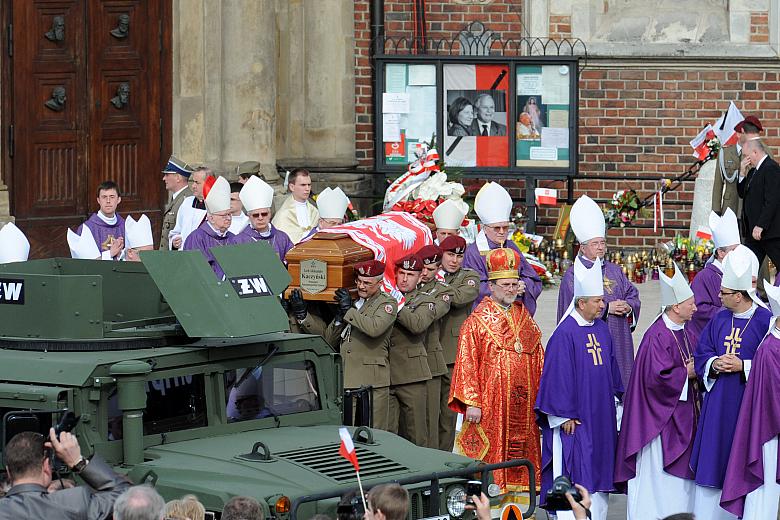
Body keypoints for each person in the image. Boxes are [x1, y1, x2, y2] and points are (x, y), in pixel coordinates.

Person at [535, 257, 623, 520]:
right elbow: (556, 378)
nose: (602, 305)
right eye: (597, 301)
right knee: (576, 469)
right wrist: (562, 415)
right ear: (581, 303)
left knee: (599, 470)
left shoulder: (602, 329)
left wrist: (618, 400)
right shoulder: (565, 334)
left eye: (602, 300)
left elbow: (612, 369)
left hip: (601, 419)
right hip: (575, 421)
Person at [450, 247, 543, 492]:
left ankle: (523, 509)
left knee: (523, 459)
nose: (511, 289)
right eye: (505, 284)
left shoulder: (525, 318)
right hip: (491, 407)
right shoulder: (476, 322)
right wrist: (472, 402)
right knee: (492, 456)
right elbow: (467, 362)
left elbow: (539, 359)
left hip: (524, 406)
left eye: (514, 284)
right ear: (490, 286)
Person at [690, 245, 772, 520]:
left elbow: (773, 365)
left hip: (747, 405)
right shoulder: (719, 318)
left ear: (739, 295)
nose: (718, 296)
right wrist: (713, 364)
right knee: (714, 461)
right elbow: (702, 353)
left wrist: (744, 366)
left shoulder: (765, 321)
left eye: (724, 293)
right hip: (718, 403)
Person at [615, 263, 699, 519]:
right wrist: (689, 373)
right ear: (675, 307)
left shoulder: (686, 331)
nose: (696, 308)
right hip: (658, 426)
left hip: (681, 418)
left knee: (679, 491)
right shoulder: (657, 336)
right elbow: (656, 381)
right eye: (691, 304)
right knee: (658, 485)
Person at [557, 194, 640, 389]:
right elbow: (571, 311)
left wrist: (628, 306)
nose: (601, 248)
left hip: (619, 336)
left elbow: (632, 293)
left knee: (621, 384)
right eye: (595, 244)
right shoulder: (573, 275)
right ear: (583, 247)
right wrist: (606, 308)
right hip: (589, 340)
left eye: (602, 243)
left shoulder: (614, 270)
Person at [721, 282, 780, 519]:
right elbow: (773, 394)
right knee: (763, 492)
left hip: (771, 428)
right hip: (769, 432)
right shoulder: (771, 349)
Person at [323, 260, 397, 429]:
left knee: (373, 433)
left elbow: (374, 328)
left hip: (371, 382)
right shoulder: (354, 302)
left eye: (367, 283)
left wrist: (349, 310)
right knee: (348, 435)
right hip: (346, 380)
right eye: (359, 281)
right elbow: (329, 341)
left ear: (380, 283)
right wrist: (338, 318)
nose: (362, 286)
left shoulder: (387, 303)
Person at [0, 429, 131, 519]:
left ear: (8, 472)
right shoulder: (73, 504)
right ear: (46, 466)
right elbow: (128, 496)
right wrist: (77, 461)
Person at [463, 181, 541, 314]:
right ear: (485, 228)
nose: (501, 231)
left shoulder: (511, 246)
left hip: (515, 312)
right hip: (487, 316)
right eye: (496, 228)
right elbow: (473, 287)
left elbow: (532, 278)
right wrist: (508, 289)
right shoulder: (474, 252)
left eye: (505, 227)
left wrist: (523, 285)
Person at [387, 253, 436, 446]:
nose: (405, 279)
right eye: (401, 273)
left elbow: (417, 324)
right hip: (387, 375)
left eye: (410, 274)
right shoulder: (385, 297)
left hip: (412, 375)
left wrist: (397, 304)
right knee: (389, 434)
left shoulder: (426, 300)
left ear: (420, 276)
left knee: (416, 434)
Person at [437, 235, 479, 451]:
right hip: (426, 352)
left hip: (451, 355)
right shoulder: (430, 274)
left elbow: (461, 297)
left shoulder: (469, 277)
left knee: (446, 418)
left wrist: (434, 285)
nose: (454, 260)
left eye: (459, 256)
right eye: (450, 255)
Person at [416, 244, 451, 449]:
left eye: (430, 269)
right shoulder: (407, 285)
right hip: (408, 363)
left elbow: (432, 314)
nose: (425, 273)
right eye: (423, 268)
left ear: (438, 269)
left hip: (431, 361)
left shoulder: (442, 291)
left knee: (434, 419)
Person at [689, 209, 741, 338]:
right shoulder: (705, 277)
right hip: (714, 334)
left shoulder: (740, 273)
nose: (739, 254)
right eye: (734, 250)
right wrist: (731, 312)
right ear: (721, 253)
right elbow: (699, 310)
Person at [183, 176, 247, 279]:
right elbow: (196, 270)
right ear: (211, 218)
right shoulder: (196, 238)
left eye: (229, 214)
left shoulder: (233, 238)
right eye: (223, 215)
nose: (228, 218)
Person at [738, 138, 780, 271]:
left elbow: (772, 200)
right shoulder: (753, 171)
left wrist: (761, 225)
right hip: (754, 235)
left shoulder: (771, 168)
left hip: (770, 233)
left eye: (746, 155)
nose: (745, 159)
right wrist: (742, 172)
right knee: (747, 268)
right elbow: (742, 193)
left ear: (755, 152)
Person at [238, 175, 294, 261]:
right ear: (249, 216)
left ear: (270, 214)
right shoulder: (239, 240)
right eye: (256, 215)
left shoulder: (282, 237)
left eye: (264, 214)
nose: (260, 218)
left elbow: (292, 262)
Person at [78, 180, 125, 260]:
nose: (108, 201)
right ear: (98, 200)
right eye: (104, 197)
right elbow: (86, 263)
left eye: (112, 197)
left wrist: (122, 254)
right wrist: (110, 253)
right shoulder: (86, 228)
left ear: (119, 200)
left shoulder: (125, 225)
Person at [170, 167, 215, 250]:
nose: (193, 186)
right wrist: (174, 241)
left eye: (197, 183)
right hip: (184, 255)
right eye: (193, 182)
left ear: (209, 183)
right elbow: (177, 231)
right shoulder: (187, 202)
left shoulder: (217, 206)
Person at [271, 168, 319, 243]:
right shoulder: (284, 214)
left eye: (309, 185)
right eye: (303, 185)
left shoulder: (315, 212)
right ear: (292, 187)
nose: (307, 189)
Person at [160, 155, 193, 250]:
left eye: (167, 175)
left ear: (178, 177)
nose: (164, 178)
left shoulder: (187, 200)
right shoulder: (177, 198)